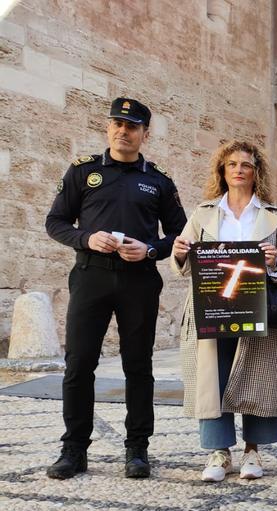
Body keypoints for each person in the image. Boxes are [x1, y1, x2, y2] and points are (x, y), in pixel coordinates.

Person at [44, 97, 187, 480]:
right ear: (108, 128)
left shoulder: (159, 181)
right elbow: (56, 222)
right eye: (117, 124)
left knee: (138, 367)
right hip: (91, 276)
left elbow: (181, 235)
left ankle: (137, 449)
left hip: (139, 281)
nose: (123, 131)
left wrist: (151, 248)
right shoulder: (83, 172)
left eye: (132, 126)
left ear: (144, 133)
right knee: (79, 365)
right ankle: (74, 449)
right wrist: (86, 238)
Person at [170, 141, 277, 482]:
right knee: (214, 376)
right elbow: (181, 264)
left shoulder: (273, 216)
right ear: (222, 172)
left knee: (258, 375)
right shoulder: (202, 214)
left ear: (257, 173)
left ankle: (253, 450)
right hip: (213, 306)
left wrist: (274, 262)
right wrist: (180, 252)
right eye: (232, 164)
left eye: (247, 165)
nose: (239, 169)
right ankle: (219, 452)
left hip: (258, 306)